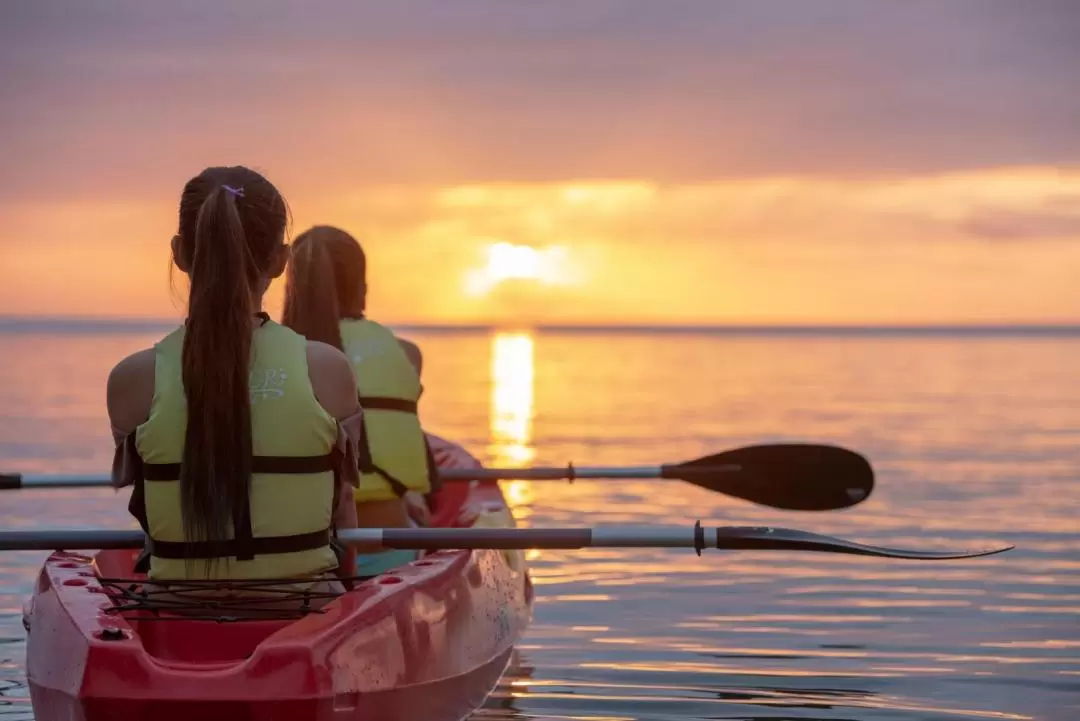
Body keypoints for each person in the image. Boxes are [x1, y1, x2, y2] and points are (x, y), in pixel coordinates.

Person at [106, 167, 362, 600]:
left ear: (180, 254)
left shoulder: (132, 378)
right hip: (306, 611)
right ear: (281, 262)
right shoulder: (326, 369)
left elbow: (150, 513)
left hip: (173, 612)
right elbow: (344, 516)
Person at [281, 225, 436, 577]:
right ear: (362, 288)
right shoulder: (406, 354)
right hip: (387, 550)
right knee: (413, 507)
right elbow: (388, 439)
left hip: (294, 558)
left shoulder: (266, 357)